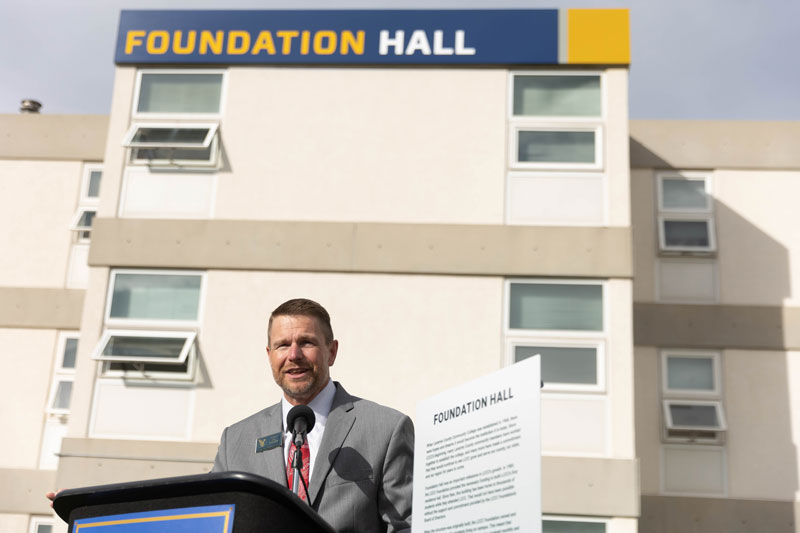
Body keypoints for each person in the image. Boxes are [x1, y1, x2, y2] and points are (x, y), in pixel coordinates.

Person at [212, 298, 413, 532]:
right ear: (269, 355)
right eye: (283, 345)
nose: (294, 354)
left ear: (332, 352)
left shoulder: (386, 430)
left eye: (306, 342)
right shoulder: (235, 442)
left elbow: (405, 527)